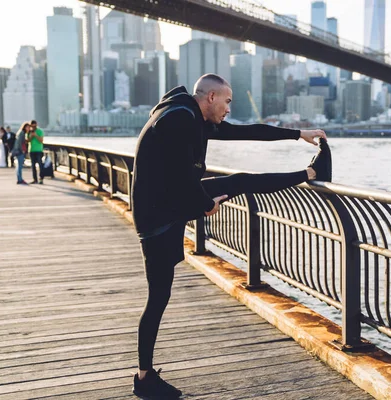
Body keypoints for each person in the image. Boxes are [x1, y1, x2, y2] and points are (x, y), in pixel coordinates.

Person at [130, 74, 331, 399]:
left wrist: (298, 134)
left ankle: (311, 173)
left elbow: (245, 131)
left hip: (166, 204)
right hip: (158, 217)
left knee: (238, 181)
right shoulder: (181, 119)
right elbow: (180, 172)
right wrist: (204, 204)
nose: (228, 109)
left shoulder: (188, 114)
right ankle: (144, 378)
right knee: (158, 297)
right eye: (226, 102)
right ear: (210, 97)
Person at [28, 119, 44, 184]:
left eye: (35, 126)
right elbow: (28, 141)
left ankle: (41, 178)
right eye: (32, 126)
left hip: (39, 150)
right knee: (33, 165)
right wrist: (31, 136)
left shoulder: (40, 131)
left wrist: (35, 135)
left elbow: (41, 140)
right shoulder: (29, 132)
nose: (33, 128)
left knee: (40, 164)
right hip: (31, 150)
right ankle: (35, 179)